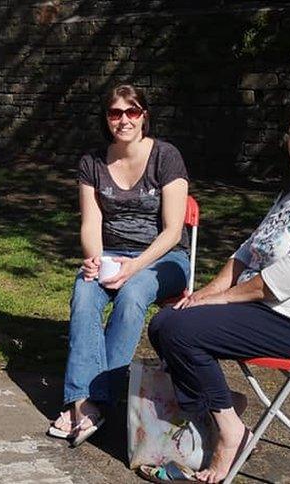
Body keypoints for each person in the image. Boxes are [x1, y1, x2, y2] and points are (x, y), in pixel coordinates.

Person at [143, 96, 290, 483]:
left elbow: (287, 278)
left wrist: (221, 298)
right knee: (171, 319)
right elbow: (246, 253)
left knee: (175, 329)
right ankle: (225, 406)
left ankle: (229, 432)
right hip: (272, 311)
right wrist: (206, 292)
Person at [49, 85, 190, 446]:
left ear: (144, 115)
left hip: (162, 258)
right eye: (115, 113)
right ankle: (82, 400)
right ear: (106, 118)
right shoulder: (92, 163)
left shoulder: (165, 156)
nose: (123, 119)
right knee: (84, 292)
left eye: (132, 111)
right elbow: (90, 223)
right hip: (111, 252)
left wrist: (134, 267)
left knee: (132, 294)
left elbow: (174, 231)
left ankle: (96, 398)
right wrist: (96, 259)